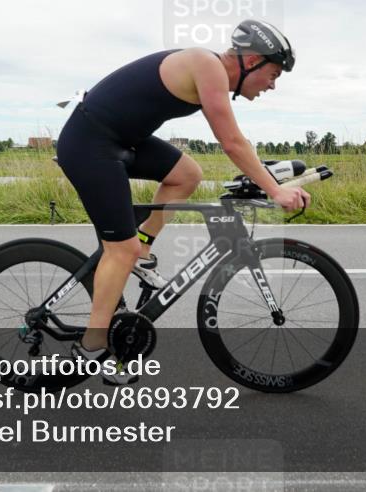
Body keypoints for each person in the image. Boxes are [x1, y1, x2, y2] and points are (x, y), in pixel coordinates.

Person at [55, 19, 310, 384]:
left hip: (121, 141)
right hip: (90, 145)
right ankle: (94, 344)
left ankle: (142, 248)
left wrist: (268, 179)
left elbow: (239, 143)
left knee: (186, 174)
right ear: (251, 60)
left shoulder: (211, 70)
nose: (272, 85)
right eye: (272, 74)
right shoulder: (207, 66)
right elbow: (233, 142)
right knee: (118, 251)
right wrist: (275, 190)